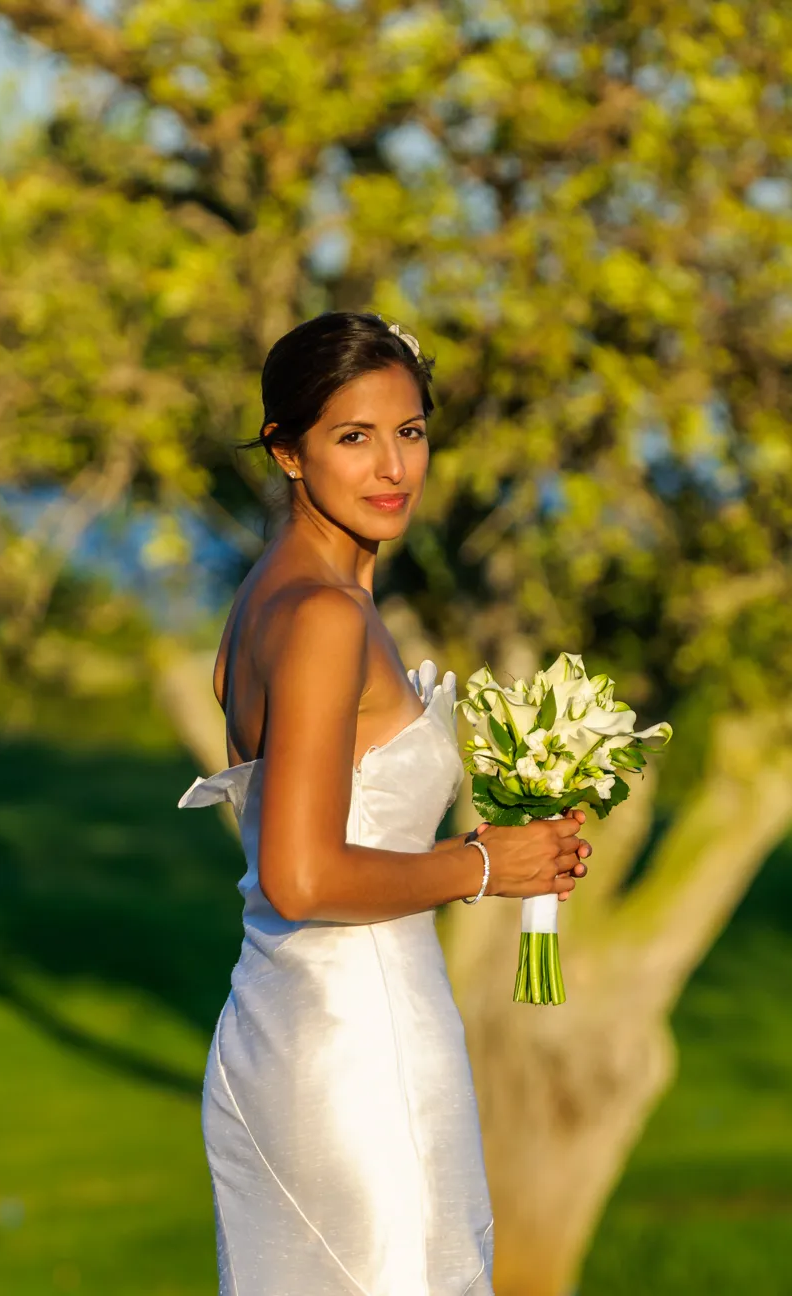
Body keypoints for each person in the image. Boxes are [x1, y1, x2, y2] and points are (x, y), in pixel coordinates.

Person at [179, 311, 592, 1295]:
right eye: (352, 436)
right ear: (287, 450)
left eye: (409, 431)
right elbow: (302, 873)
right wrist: (488, 866)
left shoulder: (269, 598)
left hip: (281, 1032)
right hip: (358, 1055)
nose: (392, 466)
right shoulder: (321, 616)